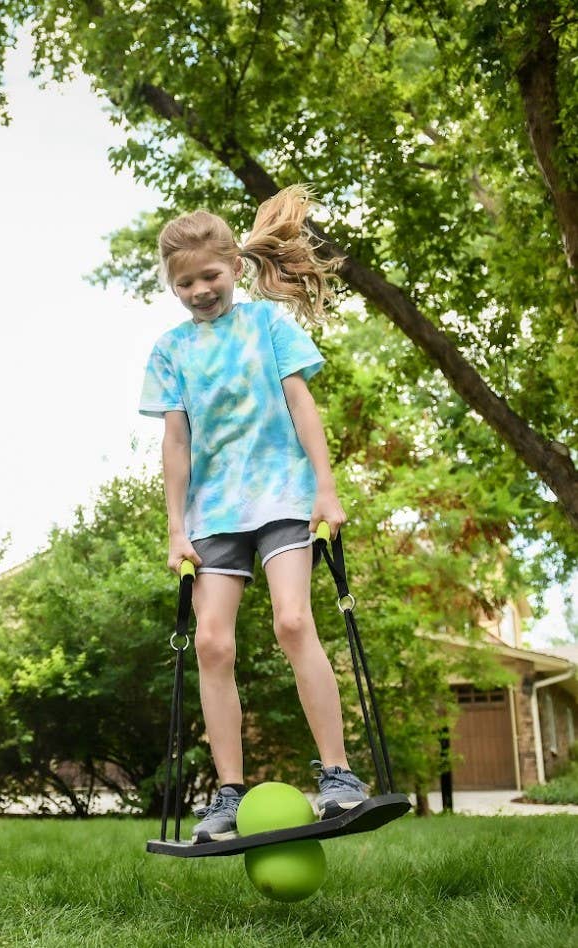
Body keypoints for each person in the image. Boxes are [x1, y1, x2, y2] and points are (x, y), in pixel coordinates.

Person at [138, 185, 367, 843]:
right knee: (210, 642)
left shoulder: (267, 325)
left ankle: (337, 776)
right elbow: (175, 443)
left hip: (283, 495)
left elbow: (301, 407)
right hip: (213, 513)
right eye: (184, 283)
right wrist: (175, 529)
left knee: (294, 622)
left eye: (208, 276)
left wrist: (325, 489)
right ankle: (227, 794)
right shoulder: (170, 351)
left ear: (235, 266)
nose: (198, 290)